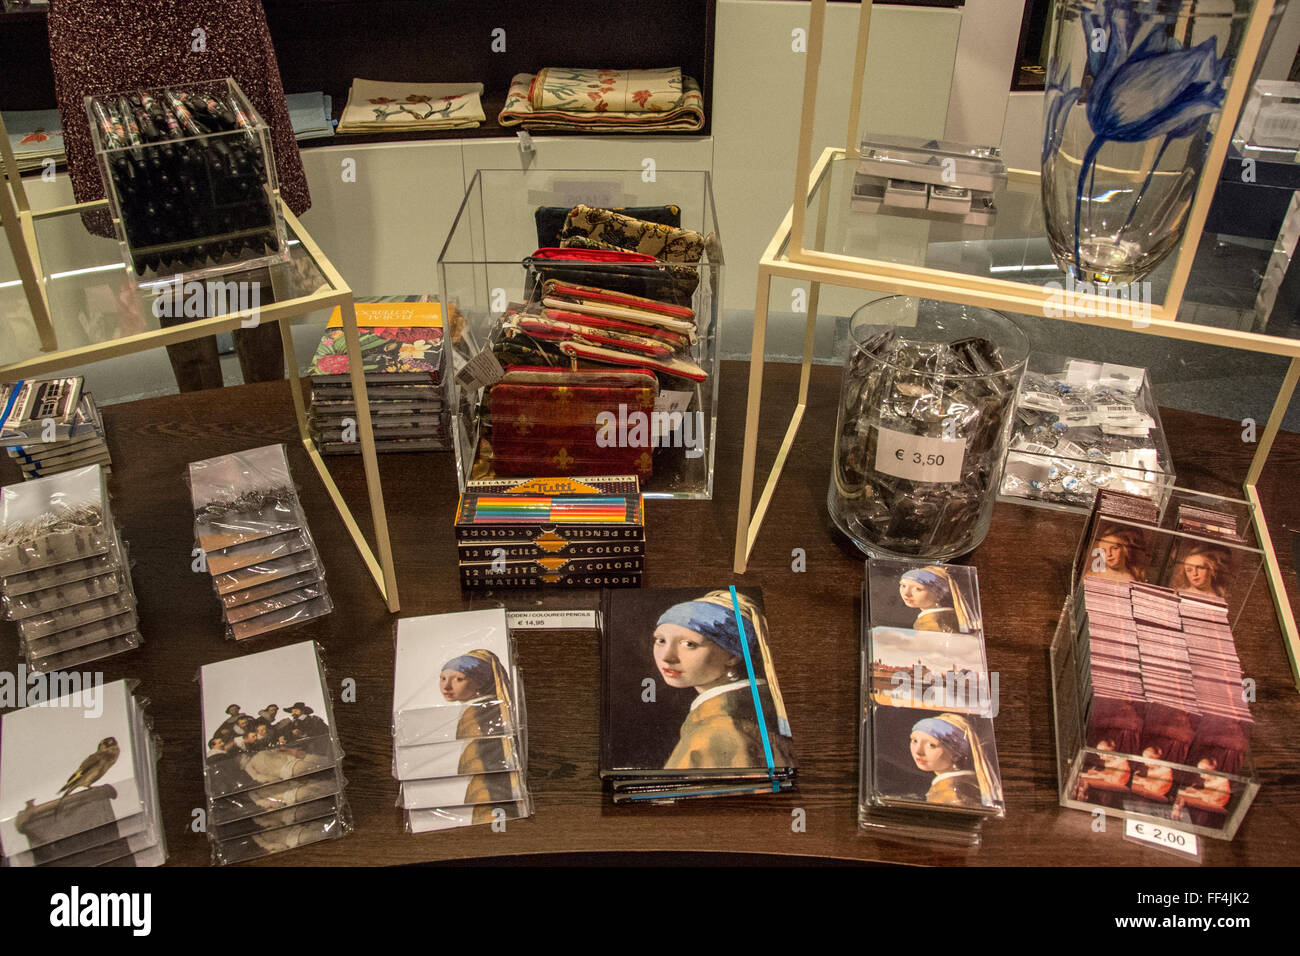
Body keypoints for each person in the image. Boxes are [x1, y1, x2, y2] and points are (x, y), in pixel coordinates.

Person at [652, 589, 794, 771]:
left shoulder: (716, 730)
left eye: (689, 644)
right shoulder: (761, 703)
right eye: (660, 640)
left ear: (733, 655)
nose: (667, 656)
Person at [908, 713, 1001, 809]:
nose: (918, 752)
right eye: (915, 741)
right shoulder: (967, 781)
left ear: (956, 754)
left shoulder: (951, 792)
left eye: (932, 745)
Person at [441, 651, 515, 741]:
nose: (446, 687)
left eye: (459, 679)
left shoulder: (478, 713)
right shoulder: (487, 707)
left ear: (479, 682)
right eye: (443, 678)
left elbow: (476, 751)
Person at [897, 567, 978, 633]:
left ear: (938, 594)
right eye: (903, 586)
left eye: (918, 589)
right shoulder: (949, 615)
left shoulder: (931, 623)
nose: (906, 593)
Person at [1172, 758, 1231, 827]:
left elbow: (1215, 798)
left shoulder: (1222, 781)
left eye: (1202, 771)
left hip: (1216, 802)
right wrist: (1195, 791)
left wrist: (1196, 792)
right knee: (1180, 796)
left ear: (1211, 770)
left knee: (1184, 799)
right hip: (1209, 799)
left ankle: (1180, 819)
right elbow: (1208, 792)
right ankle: (1176, 817)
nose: (1200, 775)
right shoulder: (1209, 780)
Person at [1073, 737, 1131, 806]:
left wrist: (1099, 774)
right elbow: (1108, 774)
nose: (1100, 756)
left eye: (1103, 752)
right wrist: (1096, 773)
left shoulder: (1122, 762)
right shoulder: (1109, 761)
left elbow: (1117, 781)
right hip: (1108, 786)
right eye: (1099, 752)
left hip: (1116, 790)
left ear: (1111, 750)